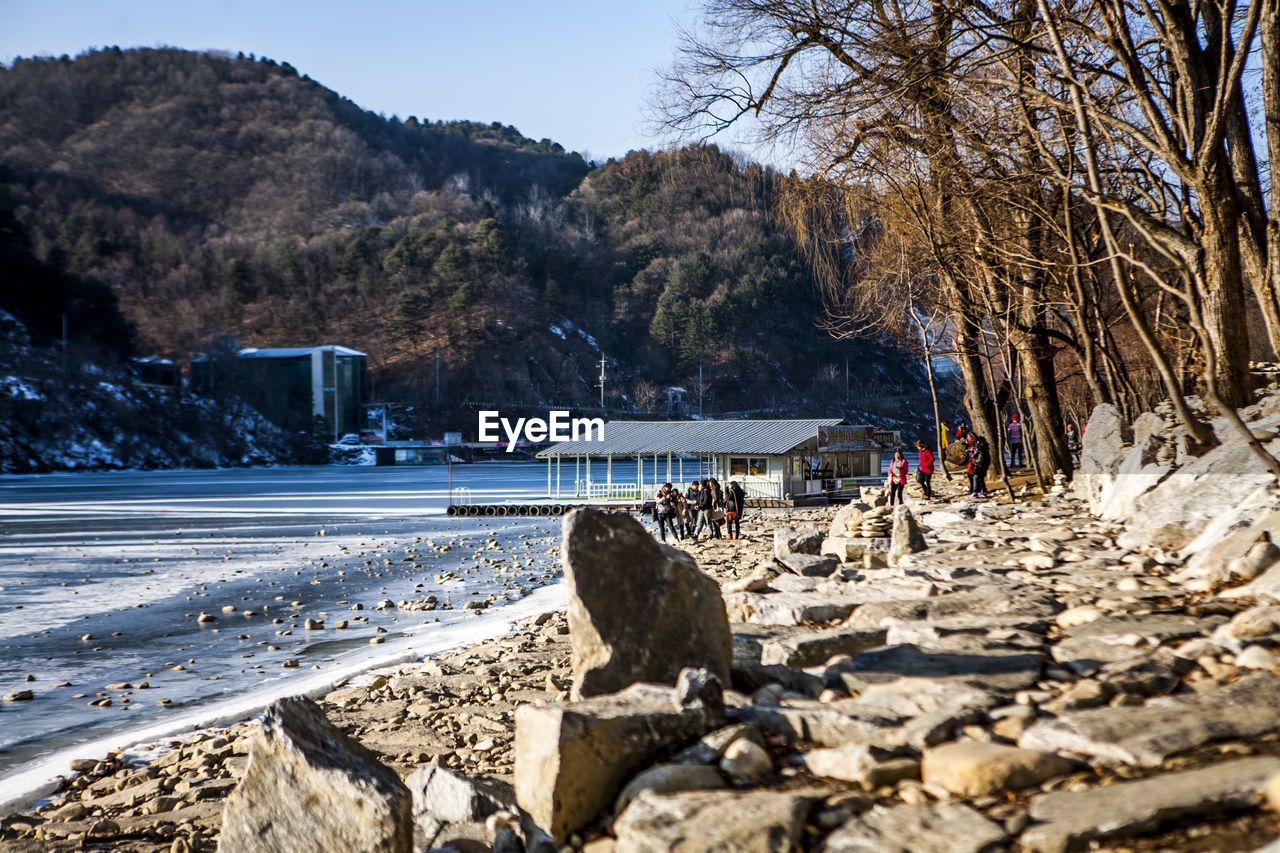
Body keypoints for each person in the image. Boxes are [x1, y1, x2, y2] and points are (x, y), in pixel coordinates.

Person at [966, 431, 991, 497]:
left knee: (976, 477)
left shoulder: (980, 448)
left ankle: (975, 491)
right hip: (984, 463)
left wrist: (971, 451)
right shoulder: (985, 447)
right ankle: (984, 491)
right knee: (980, 478)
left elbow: (975, 454)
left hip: (979, 463)